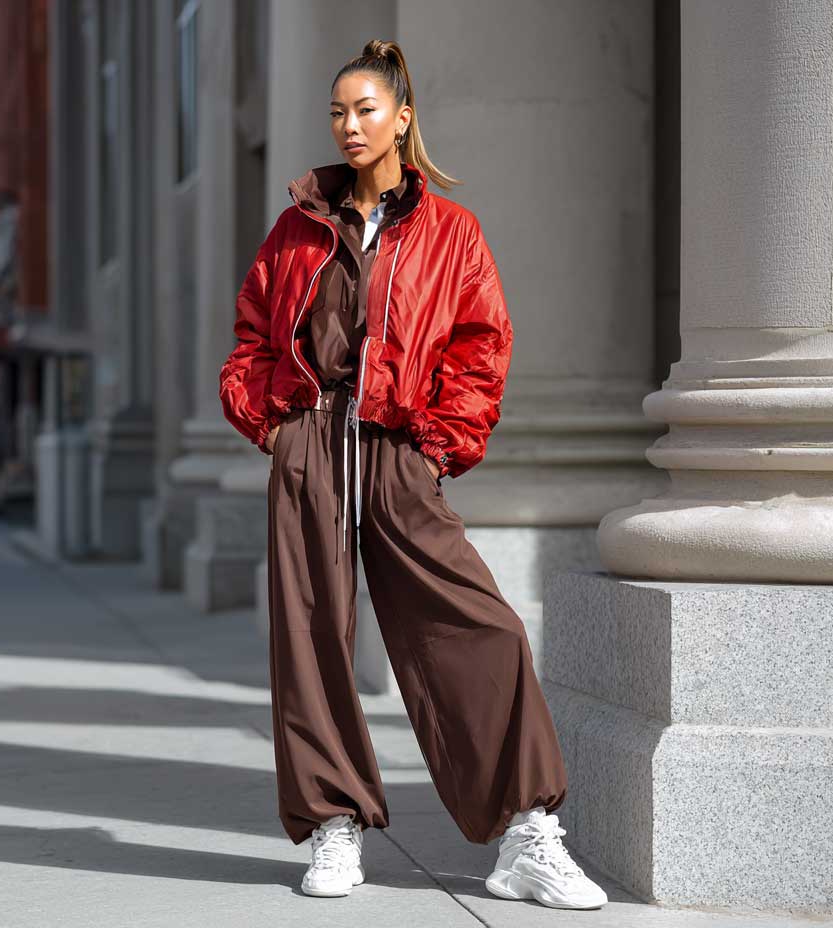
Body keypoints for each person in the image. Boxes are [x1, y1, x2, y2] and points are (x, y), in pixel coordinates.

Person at [218, 39, 608, 910]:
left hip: (398, 448)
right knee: (312, 642)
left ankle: (525, 834)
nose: (348, 126)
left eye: (364, 110)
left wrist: (439, 445)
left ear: (402, 118)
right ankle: (333, 825)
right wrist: (273, 425)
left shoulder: (449, 232)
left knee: (479, 628)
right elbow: (251, 333)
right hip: (314, 443)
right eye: (336, 113)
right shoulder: (298, 226)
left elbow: (479, 346)